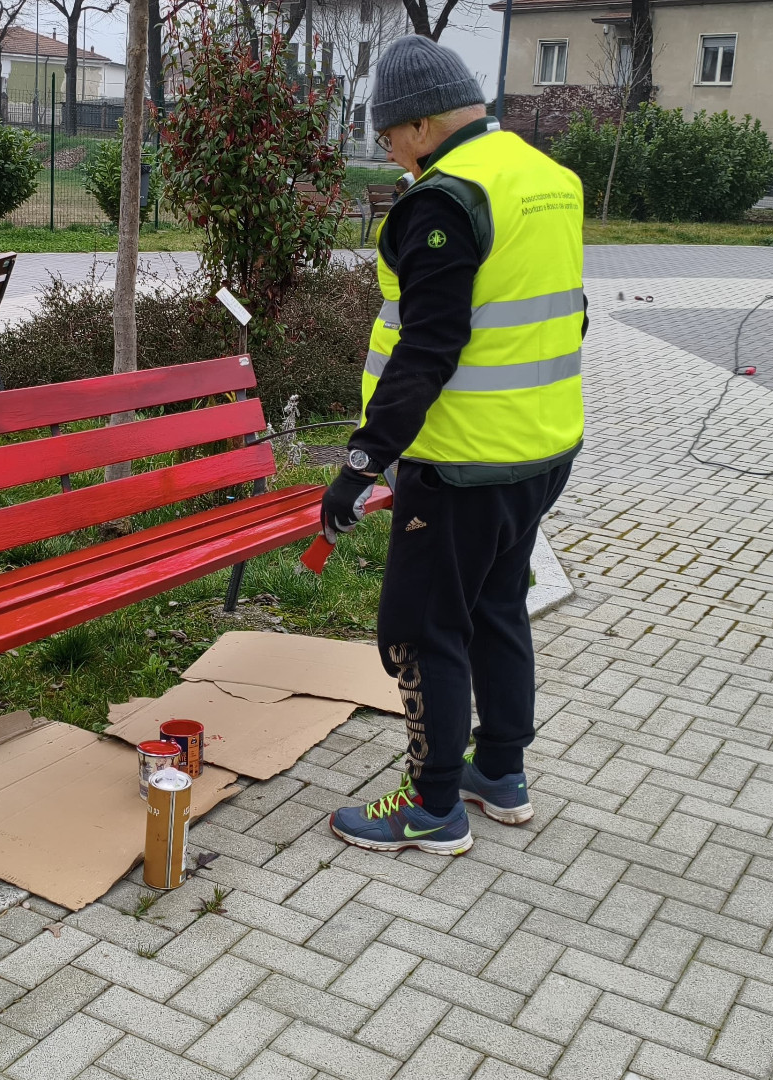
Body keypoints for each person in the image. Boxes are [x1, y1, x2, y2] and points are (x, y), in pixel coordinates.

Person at [319, 35, 587, 856]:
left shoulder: (444, 198)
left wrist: (361, 462)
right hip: (543, 448)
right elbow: (568, 310)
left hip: (463, 462)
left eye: (393, 136)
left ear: (426, 123)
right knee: (497, 606)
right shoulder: (547, 178)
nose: (392, 155)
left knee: (419, 628)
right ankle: (498, 771)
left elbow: (428, 349)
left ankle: (433, 807)